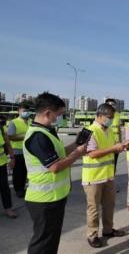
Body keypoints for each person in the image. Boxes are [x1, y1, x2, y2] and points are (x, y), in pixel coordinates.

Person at [23, 92, 87, 254]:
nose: (61, 118)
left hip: (54, 197)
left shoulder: (47, 131)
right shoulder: (38, 137)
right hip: (44, 200)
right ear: (47, 113)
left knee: (51, 240)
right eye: (59, 115)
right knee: (43, 243)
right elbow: (55, 167)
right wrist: (77, 154)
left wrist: (75, 145)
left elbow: (60, 154)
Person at [83, 103, 128, 248]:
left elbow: (111, 149)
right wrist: (113, 148)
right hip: (93, 177)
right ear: (100, 116)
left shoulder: (108, 131)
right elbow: (92, 153)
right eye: (109, 117)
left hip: (108, 176)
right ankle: (92, 236)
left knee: (109, 205)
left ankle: (108, 230)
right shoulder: (89, 131)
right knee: (94, 209)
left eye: (112, 118)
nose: (111, 120)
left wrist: (120, 147)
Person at [7, 101, 32, 198]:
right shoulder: (14, 122)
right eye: (24, 110)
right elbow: (10, 137)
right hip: (17, 151)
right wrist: (25, 137)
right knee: (18, 172)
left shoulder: (30, 121)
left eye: (28, 110)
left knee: (25, 171)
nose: (26, 112)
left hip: (28, 151)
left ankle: (23, 187)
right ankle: (18, 189)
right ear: (19, 111)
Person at [0, 115, 17, 218]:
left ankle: (8, 209)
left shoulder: (1, 129)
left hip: (1, 164)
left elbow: (8, 145)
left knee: (4, 187)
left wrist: (12, 158)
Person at [105, 98, 122, 193]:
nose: (112, 106)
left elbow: (119, 129)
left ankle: (111, 185)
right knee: (106, 165)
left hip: (116, 145)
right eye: (110, 104)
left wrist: (120, 142)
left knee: (113, 166)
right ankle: (105, 185)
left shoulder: (117, 115)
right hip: (106, 145)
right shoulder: (103, 116)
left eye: (114, 104)